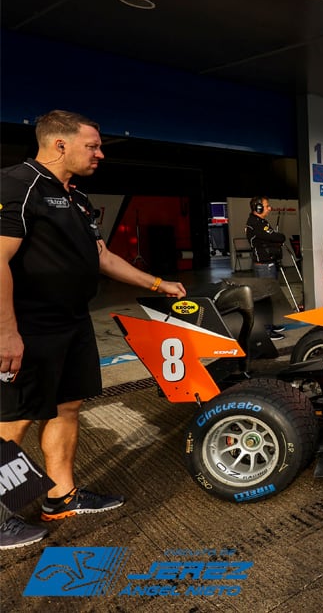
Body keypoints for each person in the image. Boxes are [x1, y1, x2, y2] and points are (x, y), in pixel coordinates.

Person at [0, 110, 187, 550]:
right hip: (28, 325)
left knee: (67, 406)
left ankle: (59, 496)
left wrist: (159, 283)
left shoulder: (77, 198)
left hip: (72, 321)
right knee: (14, 417)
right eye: (93, 146)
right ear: (59, 145)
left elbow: (101, 256)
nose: (100, 154)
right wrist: (6, 331)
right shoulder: (16, 185)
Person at [245, 196, 287, 339]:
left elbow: (272, 238)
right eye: (267, 205)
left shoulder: (260, 222)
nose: (269, 208)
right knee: (265, 298)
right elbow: (277, 237)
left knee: (271, 296)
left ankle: (270, 325)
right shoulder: (255, 223)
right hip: (264, 266)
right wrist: (276, 239)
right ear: (258, 208)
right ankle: (266, 330)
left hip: (268, 263)